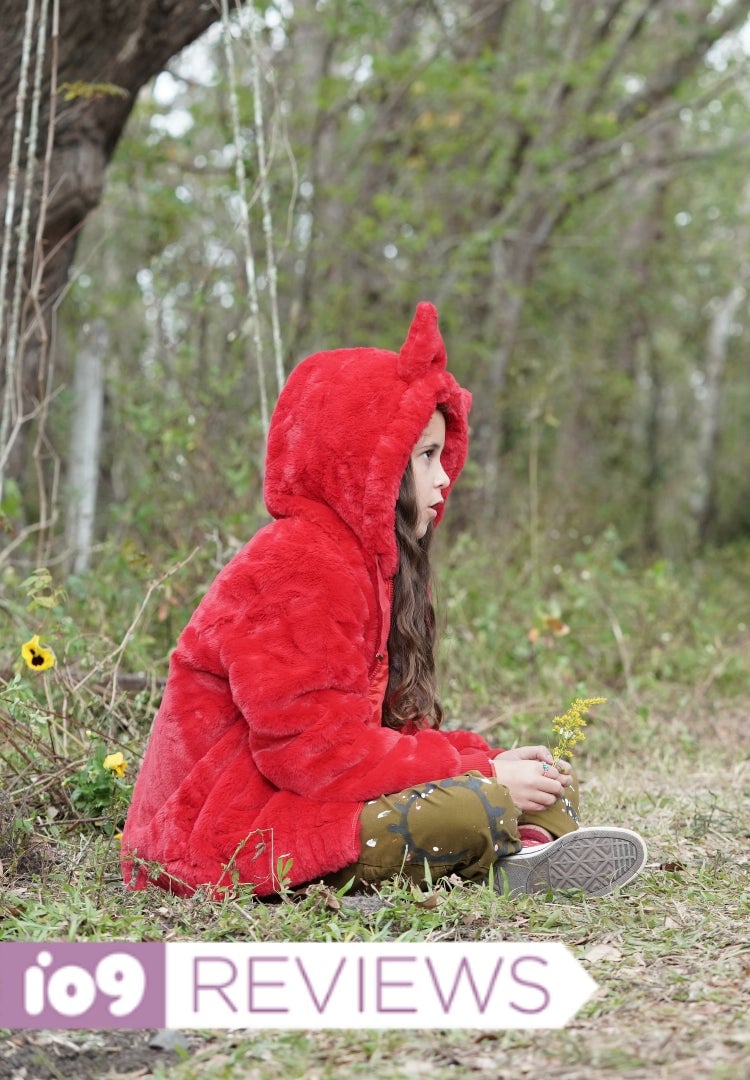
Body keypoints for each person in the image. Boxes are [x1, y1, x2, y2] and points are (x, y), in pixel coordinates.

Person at [122, 303, 647, 899]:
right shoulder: (297, 563)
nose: (444, 477)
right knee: (472, 805)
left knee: (544, 784)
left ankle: (523, 851)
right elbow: (315, 756)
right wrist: (485, 774)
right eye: (425, 457)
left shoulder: (374, 569)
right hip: (221, 832)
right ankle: (502, 848)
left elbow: (390, 728)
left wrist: (489, 756)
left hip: (300, 798)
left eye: (441, 456)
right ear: (369, 463)